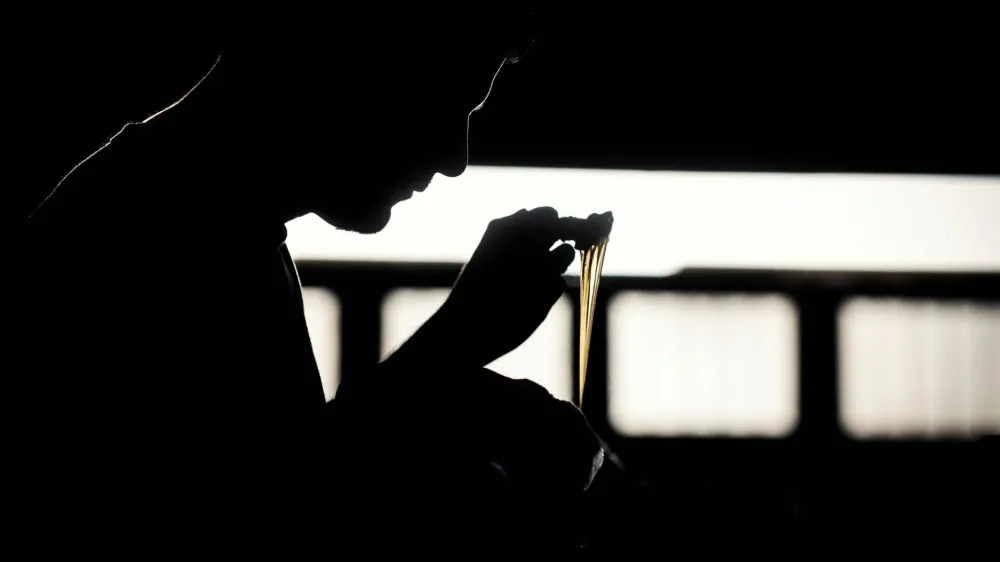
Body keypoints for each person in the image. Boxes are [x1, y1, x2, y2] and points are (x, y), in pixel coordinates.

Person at [12, 14, 604, 555]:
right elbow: (272, 524)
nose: (455, 158)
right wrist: (445, 358)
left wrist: (444, 359)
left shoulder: (207, 226)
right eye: (440, 101)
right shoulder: (137, 241)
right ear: (334, 64)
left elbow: (283, 474)